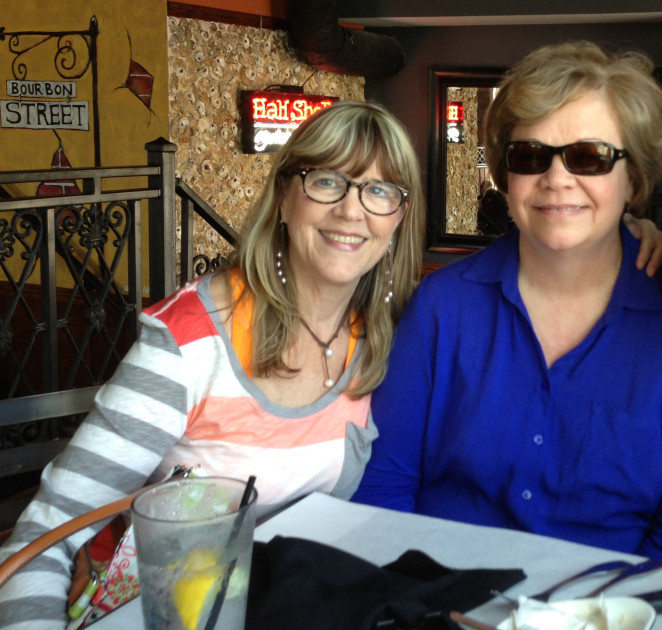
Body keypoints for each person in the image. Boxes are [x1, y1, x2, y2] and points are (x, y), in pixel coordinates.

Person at [0, 100, 425, 629]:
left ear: (398, 219)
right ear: (286, 199)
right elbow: (46, 533)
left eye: (379, 190)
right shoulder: (190, 343)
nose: (351, 210)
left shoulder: (386, 339)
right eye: (327, 181)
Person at [351, 41, 662, 569]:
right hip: (436, 600)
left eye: (589, 156)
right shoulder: (442, 308)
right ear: (505, 175)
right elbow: (384, 489)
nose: (557, 178)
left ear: (634, 177)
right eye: (530, 156)